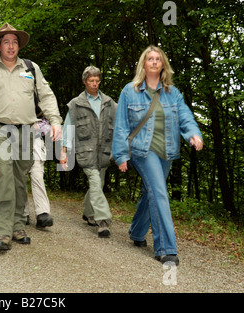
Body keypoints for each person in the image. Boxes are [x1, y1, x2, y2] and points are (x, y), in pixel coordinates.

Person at [0, 23, 62, 251]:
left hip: (27, 129)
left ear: (19, 46)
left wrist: (56, 121)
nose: (11, 46)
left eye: (14, 42)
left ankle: (18, 225)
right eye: (6, 42)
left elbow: (46, 96)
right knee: (3, 174)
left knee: (19, 178)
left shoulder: (31, 68)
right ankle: (2, 230)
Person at [112, 45, 203, 265]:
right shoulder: (129, 91)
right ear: (144, 63)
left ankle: (136, 232)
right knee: (160, 192)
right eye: (150, 59)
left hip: (167, 151)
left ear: (163, 64)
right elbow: (121, 126)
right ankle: (166, 248)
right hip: (142, 151)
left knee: (151, 191)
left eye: (158, 59)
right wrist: (121, 155)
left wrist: (193, 133)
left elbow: (185, 116)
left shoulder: (173, 92)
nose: (154, 62)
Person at [60, 66, 117, 238]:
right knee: (94, 181)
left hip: (105, 152)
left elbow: (120, 124)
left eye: (97, 80)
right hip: (86, 151)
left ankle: (88, 212)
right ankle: (103, 221)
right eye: (91, 81)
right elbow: (67, 128)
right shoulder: (76, 104)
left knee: (97, 183)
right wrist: (64, 152)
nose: (95, 84)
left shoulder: (110, 103)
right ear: (85, 82)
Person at [24, 118, 54, 229]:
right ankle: (23, 213)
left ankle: (42, 213)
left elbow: (47, 127)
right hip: (16, 144)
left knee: (38, 178)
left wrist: (37, 126)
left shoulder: (39, 106)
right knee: (20, 180)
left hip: (36, 147)